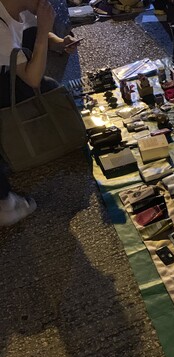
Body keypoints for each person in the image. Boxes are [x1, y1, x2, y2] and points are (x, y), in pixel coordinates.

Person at [0, 0, 80, 227]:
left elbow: (29, 34)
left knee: (51, 92)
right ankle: (4, 204)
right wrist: (45, 30)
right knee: (37, 86)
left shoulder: (17, 6)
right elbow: (31, 77)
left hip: (5, 69)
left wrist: (58, 42)